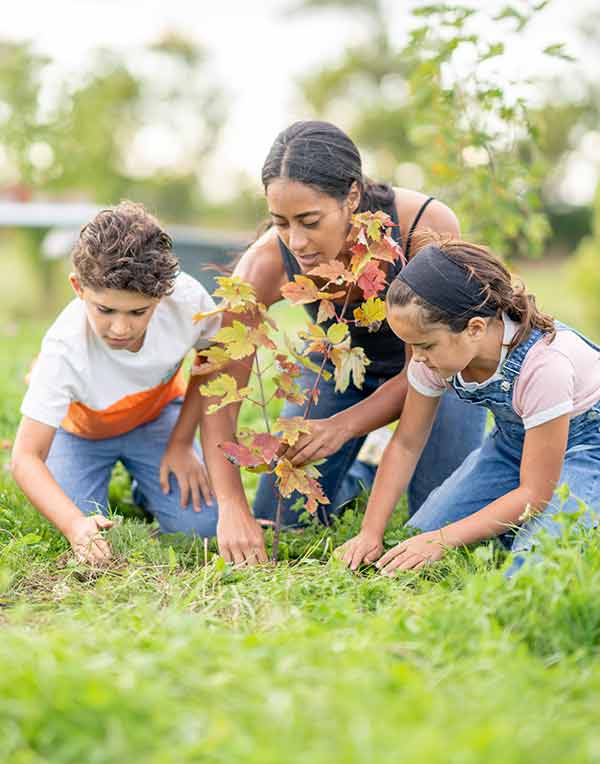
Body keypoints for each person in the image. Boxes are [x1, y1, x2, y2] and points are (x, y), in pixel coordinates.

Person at [200, 120, 487, 564]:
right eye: (280, 223)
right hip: (339, 366)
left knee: (434, 520)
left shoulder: (423, 227)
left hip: (438, 374)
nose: (296, 241)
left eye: (310, 221)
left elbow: (430, 367)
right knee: (282, 516)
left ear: (351, 196)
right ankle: (366, 470)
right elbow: (220, 399)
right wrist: (231, 506)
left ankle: (389, 456)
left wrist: (342, 427)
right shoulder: (262, 266)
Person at [337, 235, 600, 575]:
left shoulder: (544, 366)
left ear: (475, 327)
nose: (416, 359)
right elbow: (405, 444)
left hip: (588, 448)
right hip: (513, 445)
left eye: (425, 345)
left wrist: (442, 539)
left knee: (531, 567)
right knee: (418, 536)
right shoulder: (433, 359)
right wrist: (369, 533)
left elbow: (535, 492)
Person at [11, 201, 221, 564]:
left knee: (200, 528)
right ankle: (113, 488)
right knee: (77, 518)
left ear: (162, 294)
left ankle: (148, 487)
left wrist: (183, 441)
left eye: (138, 312)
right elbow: (26, 458)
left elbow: (213, 359)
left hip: (155, 419)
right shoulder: (63, 350)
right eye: (105, 310)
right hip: (79, 434)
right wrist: (75, 525)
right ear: (78, 287)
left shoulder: (188, 300)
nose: (120, 328)